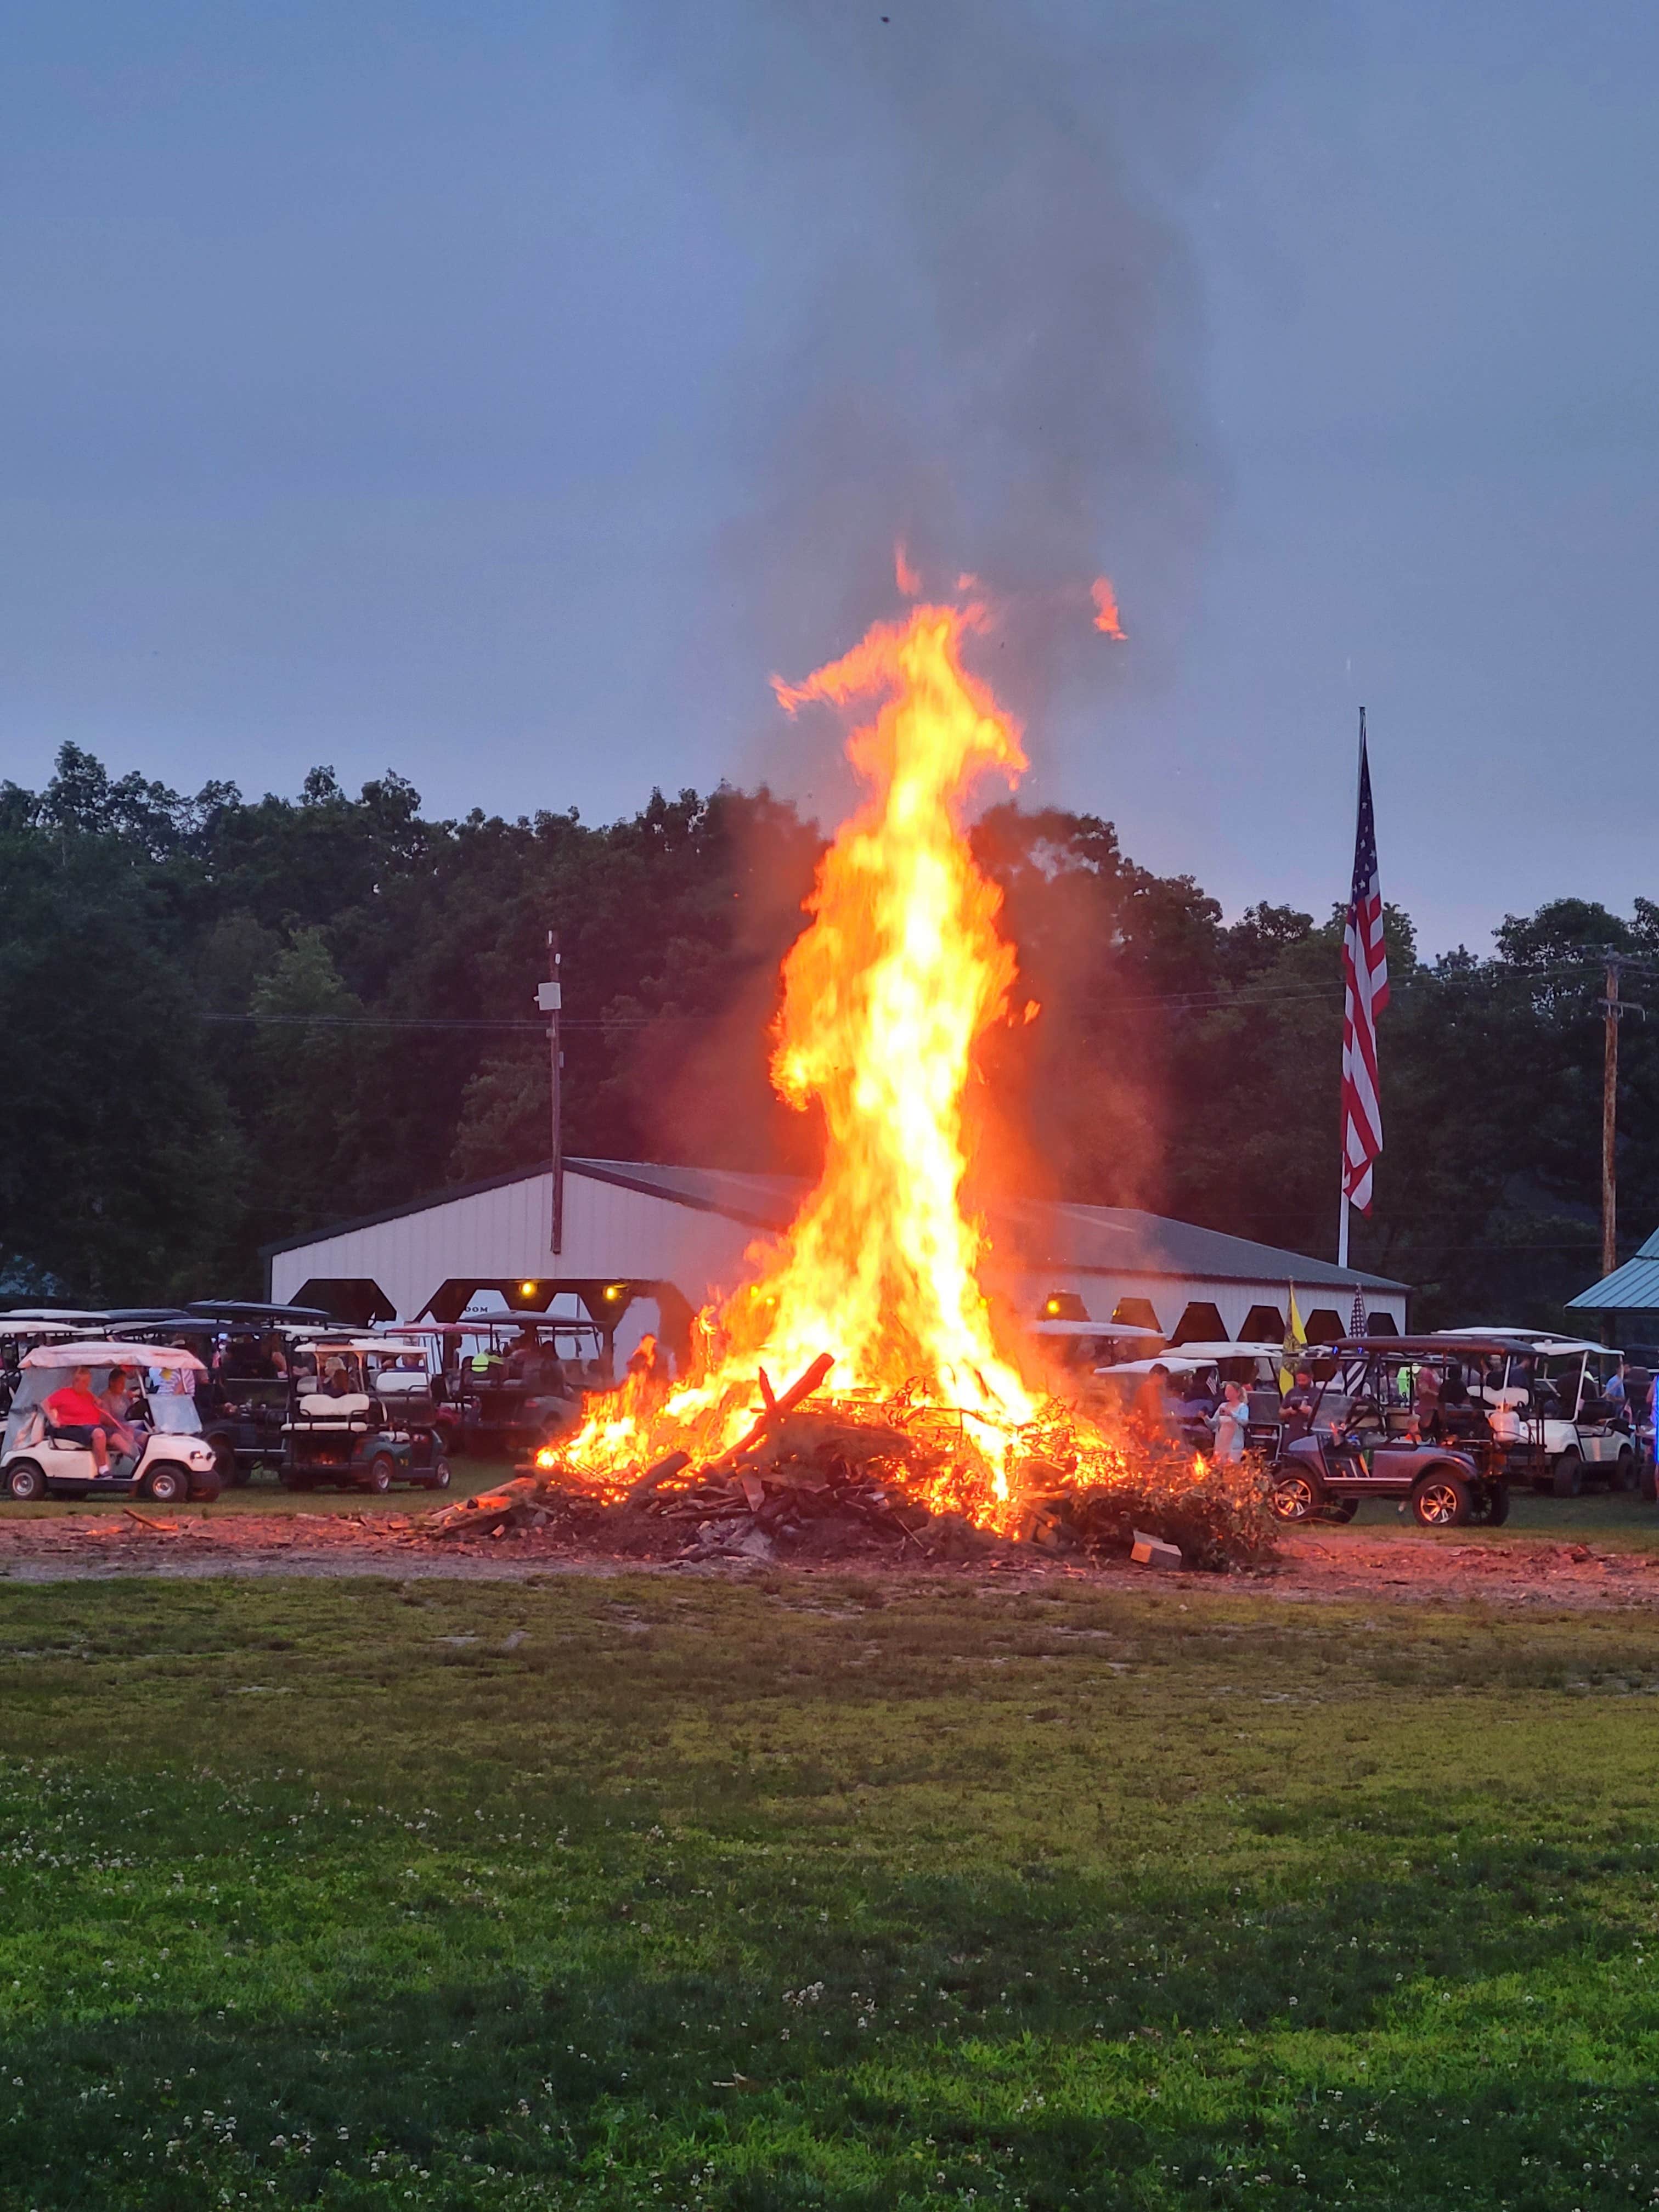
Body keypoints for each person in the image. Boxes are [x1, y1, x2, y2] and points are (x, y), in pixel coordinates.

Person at [44, 1366, 119, 1474]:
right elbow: (45, 1404)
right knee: (99, 1434)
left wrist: (100, 1403)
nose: (87, 1385)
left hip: (90, 1426)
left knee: (117, 1436)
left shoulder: (87, 1395)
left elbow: (99, 1409)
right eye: (84, 1382)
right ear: (76, 1381)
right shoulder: (64, 1393)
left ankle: (137, 1461)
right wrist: (52, 1419)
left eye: (88, 1382)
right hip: (72, 1427)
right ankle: (103, 1469)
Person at [1210, 1381, 1250, 1464]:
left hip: (1234, 1447)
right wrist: (1205, 1417)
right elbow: (1213, 1424)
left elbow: (1244, 1421)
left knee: (1232, 1470)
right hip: (1220, 1446)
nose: (1227, 1393)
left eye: (1230, 1391)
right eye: (1226, 1391)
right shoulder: (1222, 1406)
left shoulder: (1243, 1407)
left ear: (1238, 1393)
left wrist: (1231, 1414)